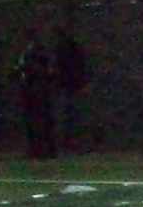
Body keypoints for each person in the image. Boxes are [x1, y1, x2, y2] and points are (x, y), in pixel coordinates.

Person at [13, 31, 58, 159]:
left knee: (43, 121)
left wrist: (29, 69)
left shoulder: (42, 53)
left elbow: (47, 71)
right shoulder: (24, 53)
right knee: (30, 122)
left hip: (40, 90)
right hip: (28, 90)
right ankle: (34, 149)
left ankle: (48, 149)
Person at [53, 27, 88, 151]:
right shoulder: (74, 49)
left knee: (68, 116)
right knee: (72, 116)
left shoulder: (64, 50)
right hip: (71, 86)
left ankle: (69, 143)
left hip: (68, 86)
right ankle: (70, 143)